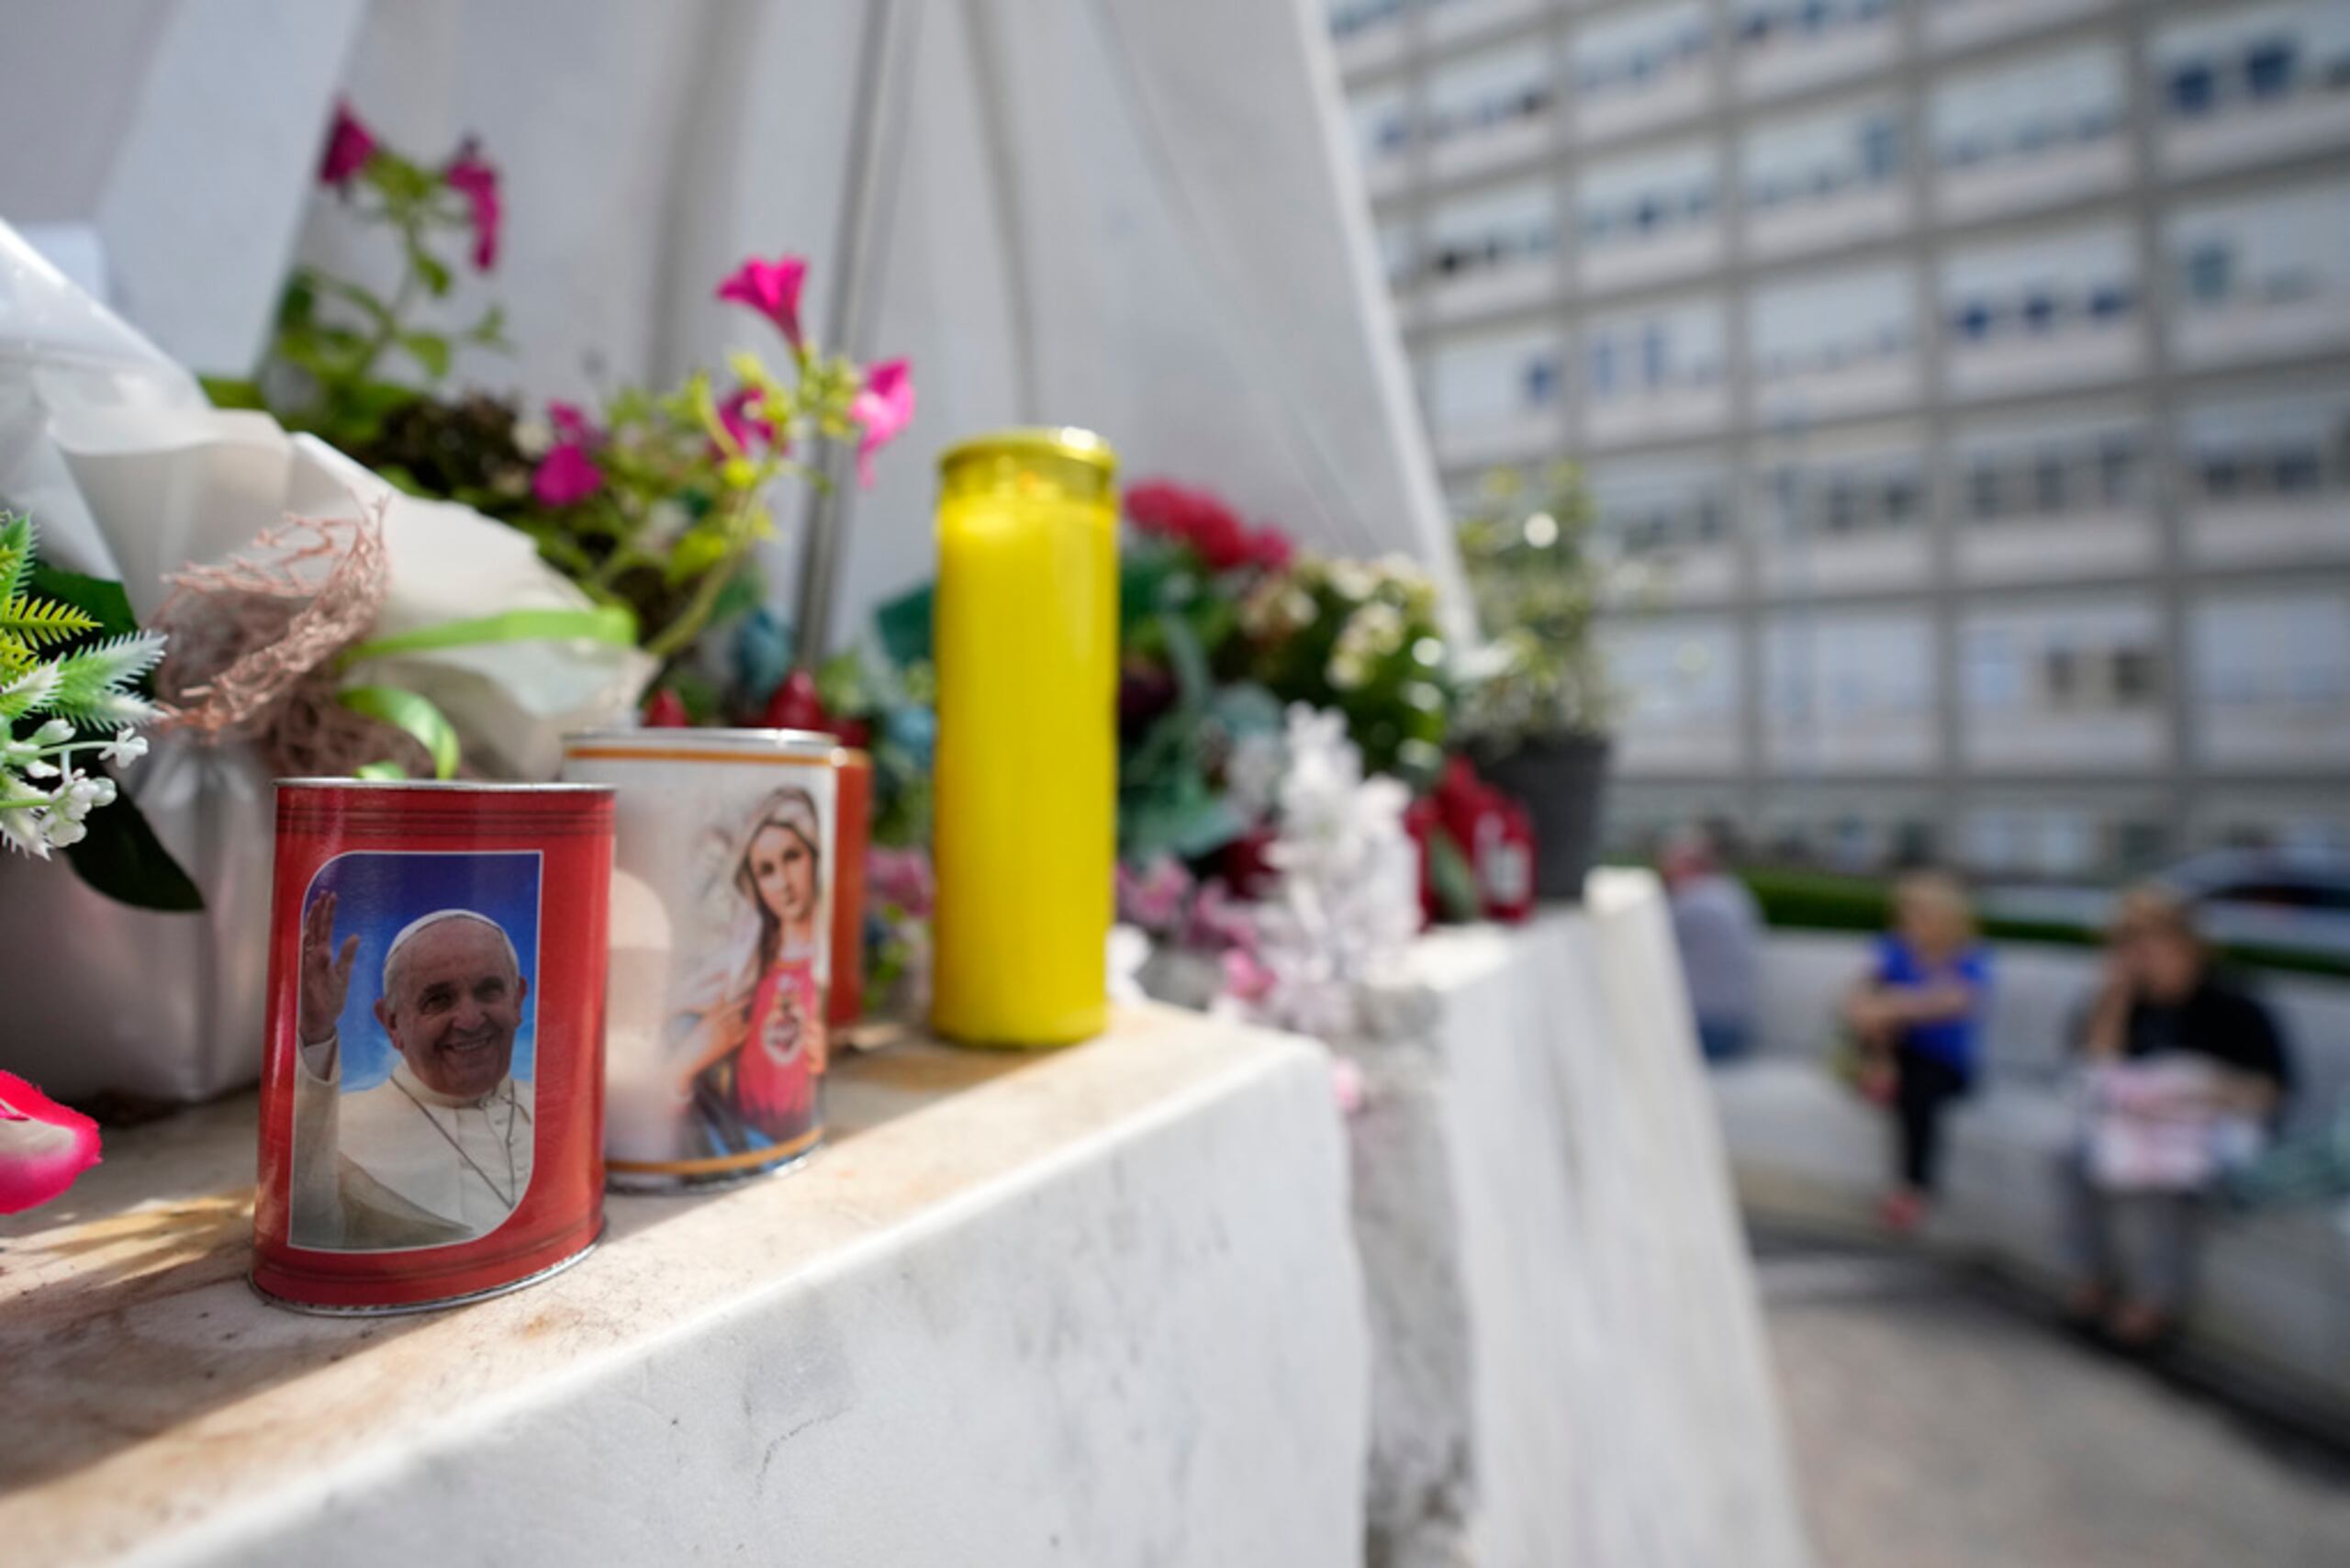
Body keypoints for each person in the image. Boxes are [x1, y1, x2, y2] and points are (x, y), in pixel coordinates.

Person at [2063, 886, 2292, 1350]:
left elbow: (2271, 1090)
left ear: (2188, 944)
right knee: (2071, 1160)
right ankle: (2093, 1282)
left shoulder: (2233, 1003)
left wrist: (2201, 1093)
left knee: (2166, 1181)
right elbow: (2093, 1071)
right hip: (2140, 1131)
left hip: (2213, 1134)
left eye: (2152, 943)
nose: (2142, 957)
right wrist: (2116, 995)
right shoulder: (2129, 1001)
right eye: (2130, 946)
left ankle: (2155, 1304)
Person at [291, 897, 534, 1250]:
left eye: (488, 991)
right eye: (438, 1000)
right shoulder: (341, 1130)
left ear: (517, 1001)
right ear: (392, 1023)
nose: (468, 1020)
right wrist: (316, 1033)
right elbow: (313, 1233)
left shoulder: (557, 1106)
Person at [673, 786, 831, 1156]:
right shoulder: (745, 966)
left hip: (792, 1138)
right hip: (740, 1138)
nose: (783, 882)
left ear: (813, 857)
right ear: (754, 884)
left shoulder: (818, 966)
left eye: (792, 857)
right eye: (766, 870)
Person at [1841, 871, 1992, 1233]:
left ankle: (1914, 1188)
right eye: (1907, 914)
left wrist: (1891, 1004)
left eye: (1920, 914)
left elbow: (1954, 1003)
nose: (1910, 922)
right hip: (1897, 1051)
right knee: (1886, 1038)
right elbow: (1858, 1003)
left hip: (1945, 1065)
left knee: (1917, 1089)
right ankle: (1880, 1070)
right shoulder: (1895, 951)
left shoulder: (1969, 958)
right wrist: (1893, 1010)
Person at [1660, 828, 1762, 1063]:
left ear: (1688, 866)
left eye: (1669, 864)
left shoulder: (1692, 905)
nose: (1664, 872)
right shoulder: (1733, 894)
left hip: (1705, 1031)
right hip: (1735, 1029)